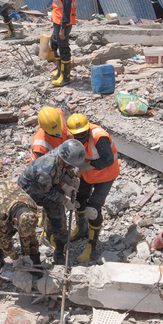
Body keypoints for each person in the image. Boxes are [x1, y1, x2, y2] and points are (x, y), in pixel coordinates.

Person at [17, 139, 86, 264]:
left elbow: (61, 173)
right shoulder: (46, 168)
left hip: (46, 186)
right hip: (30, 193)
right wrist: (65, 200)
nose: (72, 167)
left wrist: (70, 181)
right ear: (64, 161)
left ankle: (59, 250)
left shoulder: (63, 154)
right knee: (27, 222)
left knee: (59, 220)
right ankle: (29, 254)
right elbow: (48, 192)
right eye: (71, 165)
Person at [66, 113, 120, 264]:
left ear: (88, 128)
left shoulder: (99, 137)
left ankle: (92, 245)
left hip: (106, 175)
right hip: (89, 176)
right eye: (77, 135)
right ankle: (81, 229)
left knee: (93, 210)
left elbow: (107, 159)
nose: (81, 137)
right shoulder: (71, 138)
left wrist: (85, 167)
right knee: (78, 201)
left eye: (83, 134)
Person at [50, 0, 77, 87]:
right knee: (54, 43)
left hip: (63, 23)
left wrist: (62, 28)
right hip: (58, 21)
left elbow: (66, 10)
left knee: (64, 49)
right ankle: (60, 70)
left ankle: (65, 77)